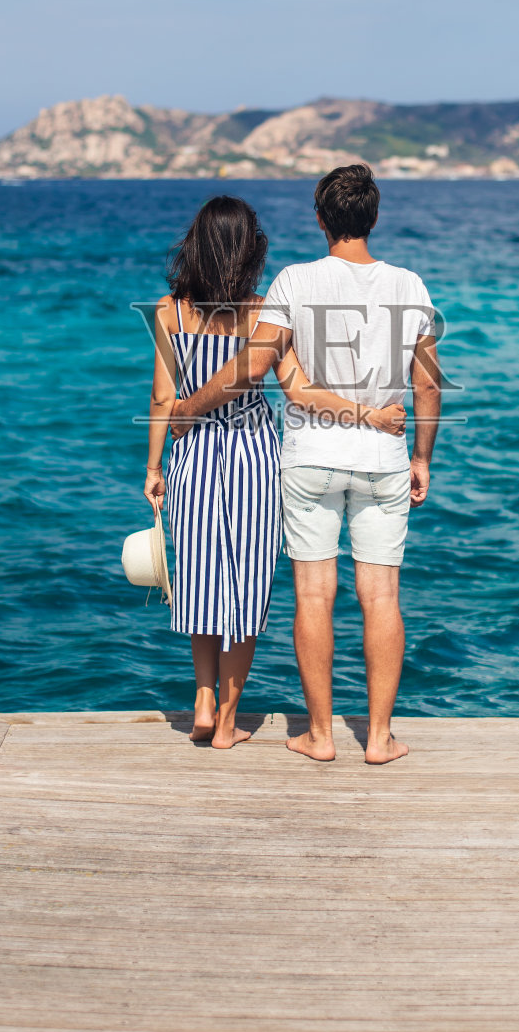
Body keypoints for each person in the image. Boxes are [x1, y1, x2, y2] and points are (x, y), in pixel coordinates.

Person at [170, 166, 441, 764]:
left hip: (312, 457)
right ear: (373, 217)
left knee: (313, 595)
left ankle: (320, 735)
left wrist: (189, 406)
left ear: (320, 219)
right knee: (381, 596)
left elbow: (254, 366)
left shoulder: (295, 282)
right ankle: (377, 737)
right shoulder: (409, 285)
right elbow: (427, 386)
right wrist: (422, 456)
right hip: (383, 459)